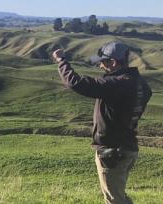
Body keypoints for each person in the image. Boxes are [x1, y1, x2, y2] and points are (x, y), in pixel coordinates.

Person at [52, 42, 152, 204]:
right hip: (127, 146)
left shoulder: (118, 83)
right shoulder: (139, 83)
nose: (100, 66)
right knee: (118, 196)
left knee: (114, 199)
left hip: (113, 151)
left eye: (103, 62)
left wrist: (62, 61)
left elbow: (77, 83)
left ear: (113, 63)